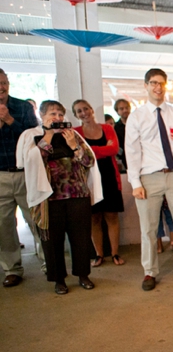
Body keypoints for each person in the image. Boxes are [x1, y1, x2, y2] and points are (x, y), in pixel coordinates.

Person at [124, 68, 173, 291]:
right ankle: (149, 272)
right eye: (153, 83)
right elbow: (131, 151)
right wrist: (136, 183)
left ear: (165, 86)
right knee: (148, 229)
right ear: (146, 86)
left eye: (161, 83)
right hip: (149, 177)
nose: (157, 87)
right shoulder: (136, 116)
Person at [21, 101, 100, 294]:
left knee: (81, 237)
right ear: (41, 115)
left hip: (77, 195)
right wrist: (48, 134)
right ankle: (59, 280)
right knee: (53, 240)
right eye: (52, 114)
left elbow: (88, 161)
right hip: (49, 199)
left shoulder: (73, 135)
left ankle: (83, 275)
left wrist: (74, 146)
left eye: (60, 114)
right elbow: (32, 161)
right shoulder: (33, 136)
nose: (57, 118)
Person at [0, 69, 43, 287]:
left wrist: (9, 121)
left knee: (37, 219)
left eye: (4, 82)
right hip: (0, 176)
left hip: (25, 173)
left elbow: (34, 136)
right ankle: (12, 269)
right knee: (4, 225)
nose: (2, 87)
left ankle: (48, 263)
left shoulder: (23, 107)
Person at [73, 99, 125, 267]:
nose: (84, 113)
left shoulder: (107, 128)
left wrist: (89, 150)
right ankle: (99, 254)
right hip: (88, 179)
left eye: (86, 109)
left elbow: (114, 149)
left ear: (91, 110)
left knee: (112, 216)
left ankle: (115, 253)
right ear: (76, 115)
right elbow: (77, 155)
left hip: (109, 176)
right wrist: (101, 149)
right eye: (79, 111)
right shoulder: (75, 132)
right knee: (94, 218)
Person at [113, 98, 131, 171]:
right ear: (117, 112)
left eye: (127, 108)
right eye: (121, 108)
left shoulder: (137, 123)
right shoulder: (115, 128)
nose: (125, 110)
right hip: (125, 159)